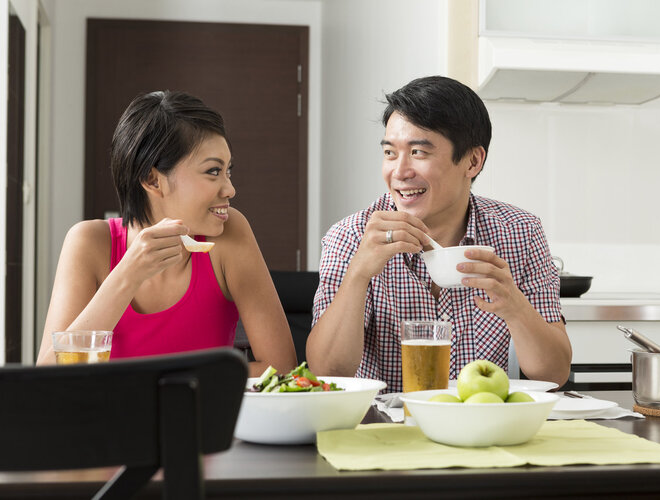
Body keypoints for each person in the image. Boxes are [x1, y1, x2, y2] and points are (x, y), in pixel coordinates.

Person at [306, 76, 571, 392]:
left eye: (418, 152)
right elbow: (327, 372)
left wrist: (515, 307)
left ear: (472, 161)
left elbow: (554, 374)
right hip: (383, 432)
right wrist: (359, 273)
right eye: (390, 152)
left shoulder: (519, 233)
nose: (400, 171)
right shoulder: (350, 236)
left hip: (480, 428)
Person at [37, 90, 297, 375]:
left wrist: (163, 388)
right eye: (213, 171)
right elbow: (49, 380)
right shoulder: (88, 242)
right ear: (153, 180)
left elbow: (281, 368)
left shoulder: (229, 232)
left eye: (228, 172)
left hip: (204, 419)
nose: (230, 189)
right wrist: (128, 275)